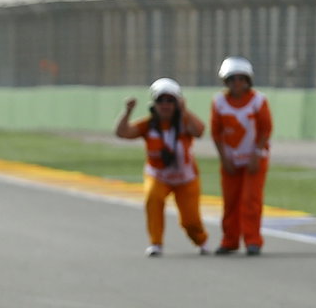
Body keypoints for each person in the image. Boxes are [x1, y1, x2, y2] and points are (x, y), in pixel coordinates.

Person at [115, 78, 208, 256]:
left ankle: (201, 240)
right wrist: (128, 111)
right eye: (161, 101)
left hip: (185, 178)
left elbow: (200, 131)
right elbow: (122, 133)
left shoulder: (184, 122)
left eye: (170, 101)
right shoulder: (148, 125)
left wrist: (184, 111)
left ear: (177, 103)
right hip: (158, 176)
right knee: (153, 198)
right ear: (154, 104)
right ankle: (155, 243)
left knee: (190, 220)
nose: (165, 105)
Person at [209, 56, 272, 255]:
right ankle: (230, 240)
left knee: (250, 200)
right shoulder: (219, 102)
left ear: (247, 81)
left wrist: (256, 154)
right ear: (226, 81)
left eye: (241, 79)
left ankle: (253, 240)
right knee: (230, 201)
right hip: (230, 160)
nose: (237, 83)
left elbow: (265, 129)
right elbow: (216, 133)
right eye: (232, 79)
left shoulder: (258, 100)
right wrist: (223, 158)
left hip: (254, 159)